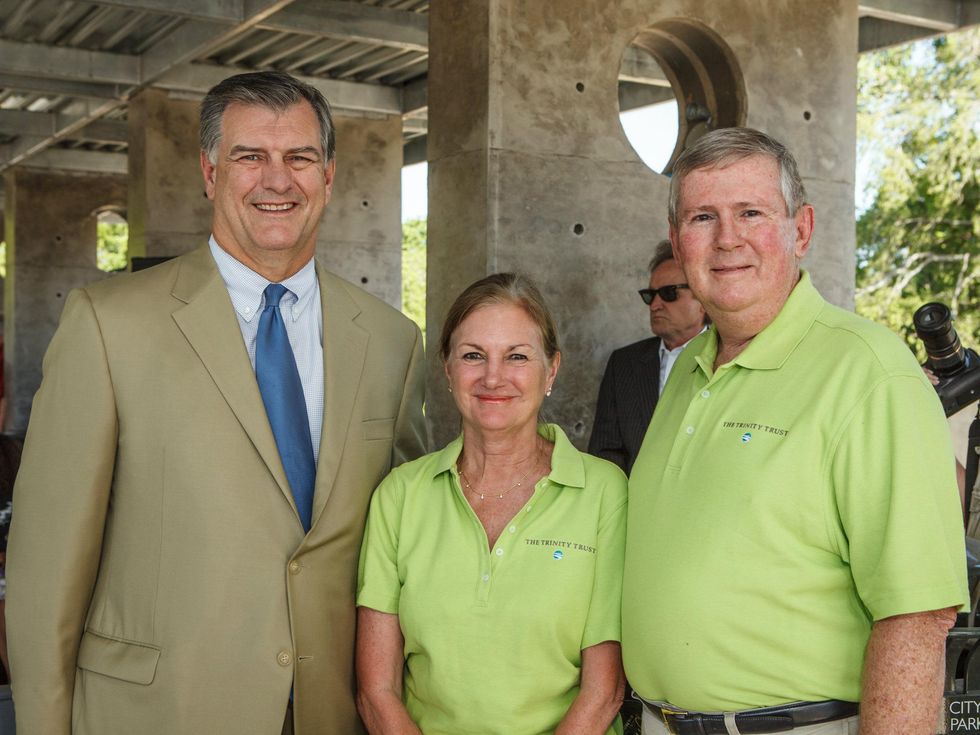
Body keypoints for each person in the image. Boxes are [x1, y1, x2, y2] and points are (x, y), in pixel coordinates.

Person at [5, 70, 426, 735]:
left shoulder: (392, 340)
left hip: (332, 713)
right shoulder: (109, 324)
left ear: (330, 176)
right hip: (157, 712)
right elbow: (44, 570)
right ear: (209, 172)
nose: (277, 179)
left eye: (299, 158)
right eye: (249, 156)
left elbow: (408, 543)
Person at [622, 127, 968, 735]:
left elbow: (917, 615)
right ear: (678, 239)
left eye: (751, 212)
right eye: (703, 217)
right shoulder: (691, 369)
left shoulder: (869, 372)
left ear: (800, 229)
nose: (727, 239)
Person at [356, 273, 626, 734]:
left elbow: (603, 691)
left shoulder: (603, 492)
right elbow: (377, 691)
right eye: (472, 356)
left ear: (552, 370)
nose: (493, 377)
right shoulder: (400, 495)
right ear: (447, 369)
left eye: (517, 356)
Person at [588, 240, 707, 473]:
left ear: (703, 297)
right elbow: (605, 454)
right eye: (650, 295)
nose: (655, 305)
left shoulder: (730, 358)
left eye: (668, 293)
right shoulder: (624, 364)